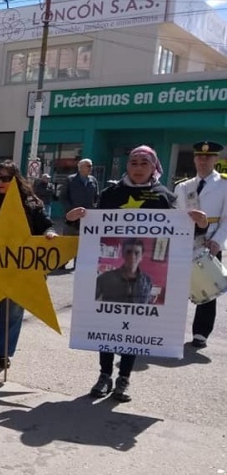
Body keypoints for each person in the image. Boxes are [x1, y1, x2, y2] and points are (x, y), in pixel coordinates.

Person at [66, 145, 207, 402]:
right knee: (108, 327)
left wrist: (197, 225)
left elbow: (180, 234)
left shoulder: (164, 196)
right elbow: (93, 226)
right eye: (133, 163)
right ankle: (104, 375)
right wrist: (76, 218)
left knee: (133, 331)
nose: (138, 168)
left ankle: (124, 379)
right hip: (113, 281)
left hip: (137, 285)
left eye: (144, 163)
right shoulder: (111, 193)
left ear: (154, 167)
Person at [0, 160, 57, 369]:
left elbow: (47, 226)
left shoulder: (32, 204)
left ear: (16, 179)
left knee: (12, 313)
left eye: (6, 178)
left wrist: (49, 234)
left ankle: (4, 353)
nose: (1, 182)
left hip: (21, 271)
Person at [174, 140, 227, 349]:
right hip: (185, 243)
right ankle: (171, 329)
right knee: (177, 289)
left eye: (208, 157)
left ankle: (201, 333)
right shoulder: (183, 187)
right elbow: (176, 217)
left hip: (210, 241)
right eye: (199, 156)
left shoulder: (224, 185)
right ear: (194, 158)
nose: (203, 161)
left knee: (208, 289)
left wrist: (217, 241)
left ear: (216, 159)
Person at [61, 158, 98, 268]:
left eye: (91, 166)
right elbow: (63, 197)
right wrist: (70, 211)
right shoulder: (70, 180)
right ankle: (62, 263)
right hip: (72, 217)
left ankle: (79, 264)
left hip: (87, 217)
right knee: (68, 241)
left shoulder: (93, 180)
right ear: (80, 167)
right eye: (88, 166)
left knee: (83, 242)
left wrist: (94, 209)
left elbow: (96, 197)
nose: (91, 168)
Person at [95, 239, 154, 304]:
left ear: (141, 257)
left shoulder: (148, 281)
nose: (132, 256)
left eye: (137, 253)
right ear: (123, 254)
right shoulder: (106, 278)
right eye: (128, 252)